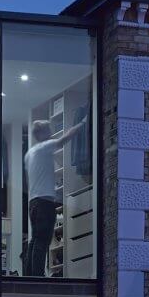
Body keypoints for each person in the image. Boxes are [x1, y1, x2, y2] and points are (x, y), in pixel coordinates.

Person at [24, 116, 86, 276]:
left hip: (33, 202)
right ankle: (37, 276)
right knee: (43, 240)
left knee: (35, 238)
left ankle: (30, 274)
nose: (51, 133)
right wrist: (83, 122)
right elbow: (65, 138)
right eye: (48, 130)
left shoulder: (30, 153)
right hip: (44, 201)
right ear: (43, 133)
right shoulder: (46, 146)